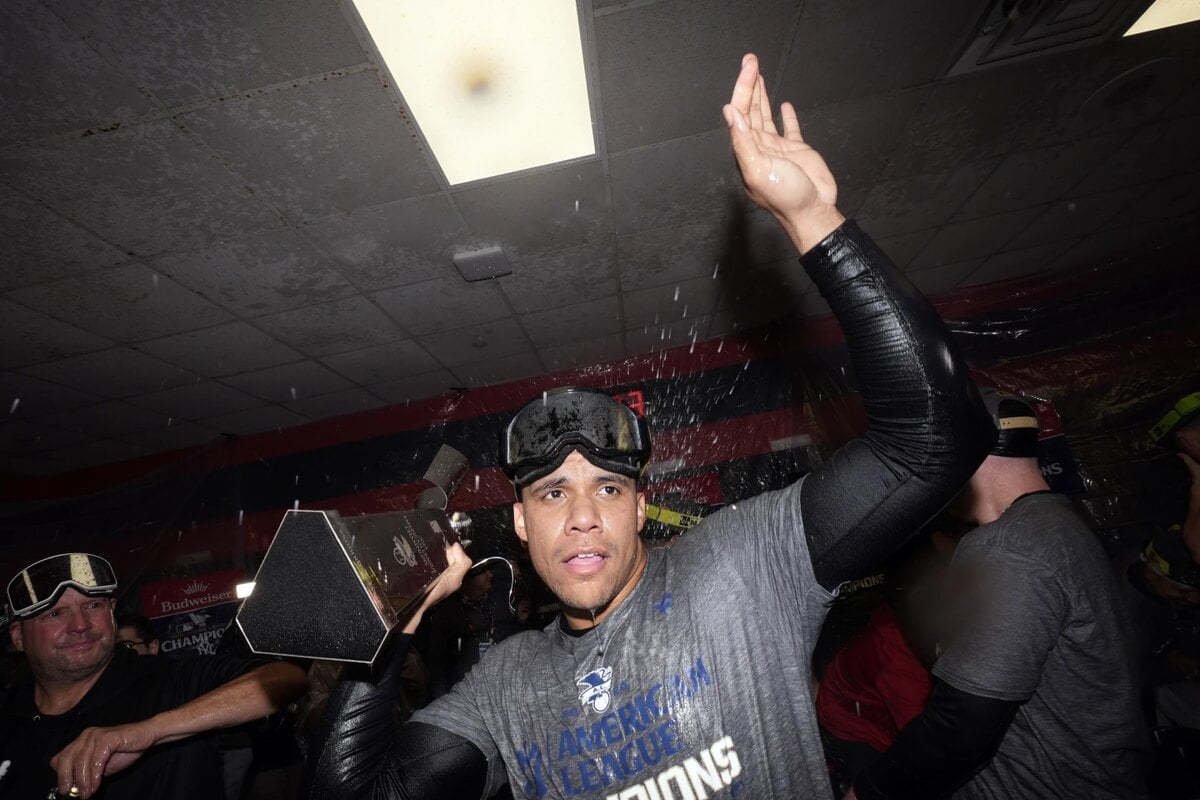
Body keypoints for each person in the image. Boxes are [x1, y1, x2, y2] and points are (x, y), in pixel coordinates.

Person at [303, 53, 995, 800]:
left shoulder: (742, 568)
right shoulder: (505, 686)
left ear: (640, 504)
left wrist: (810, 218)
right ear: (521, 525)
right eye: (552, 495)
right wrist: (389, 620)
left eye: (606, 487)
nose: (582, 519)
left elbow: (937, 437)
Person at [853, 389, 1148, 799]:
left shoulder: (1010, 548)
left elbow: (961, 729)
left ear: (962, 454)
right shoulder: (1061, 523)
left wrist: (870, 792)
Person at [0, 552, 308, 799]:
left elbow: (285, 679)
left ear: (112, 611)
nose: (80, 624)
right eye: (55, 614)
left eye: (93, 605)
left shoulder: (167, 680)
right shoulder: (8, 715)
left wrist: (149, 731)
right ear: (18, 637)